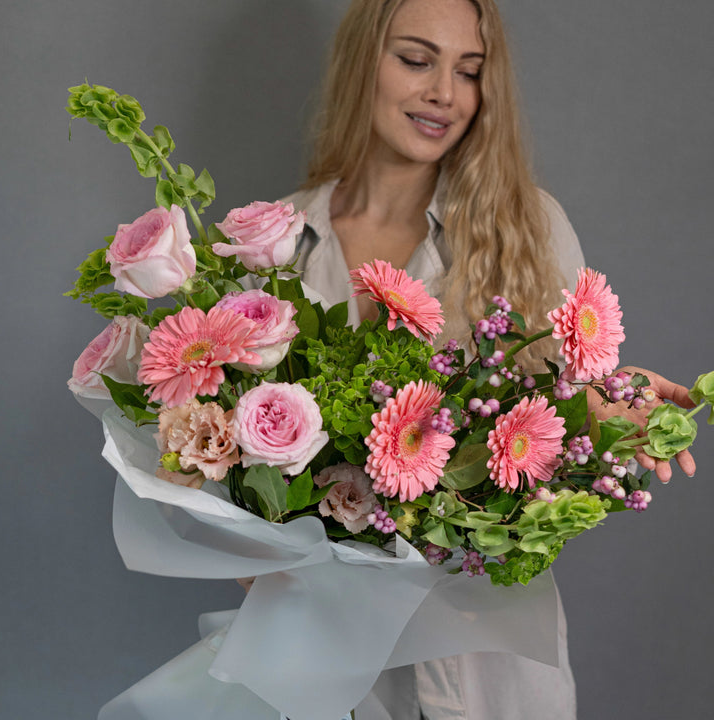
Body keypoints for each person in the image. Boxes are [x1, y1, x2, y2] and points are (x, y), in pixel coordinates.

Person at [248, 0, 696, 717]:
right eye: (417, 60)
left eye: (469, 71)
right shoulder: (272, 244)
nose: (445, 94)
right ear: (365, 61)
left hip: (484, 670)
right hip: (324, 667)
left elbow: (567, 415)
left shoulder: (526, 229)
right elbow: (233, 471)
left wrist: (606, 412)